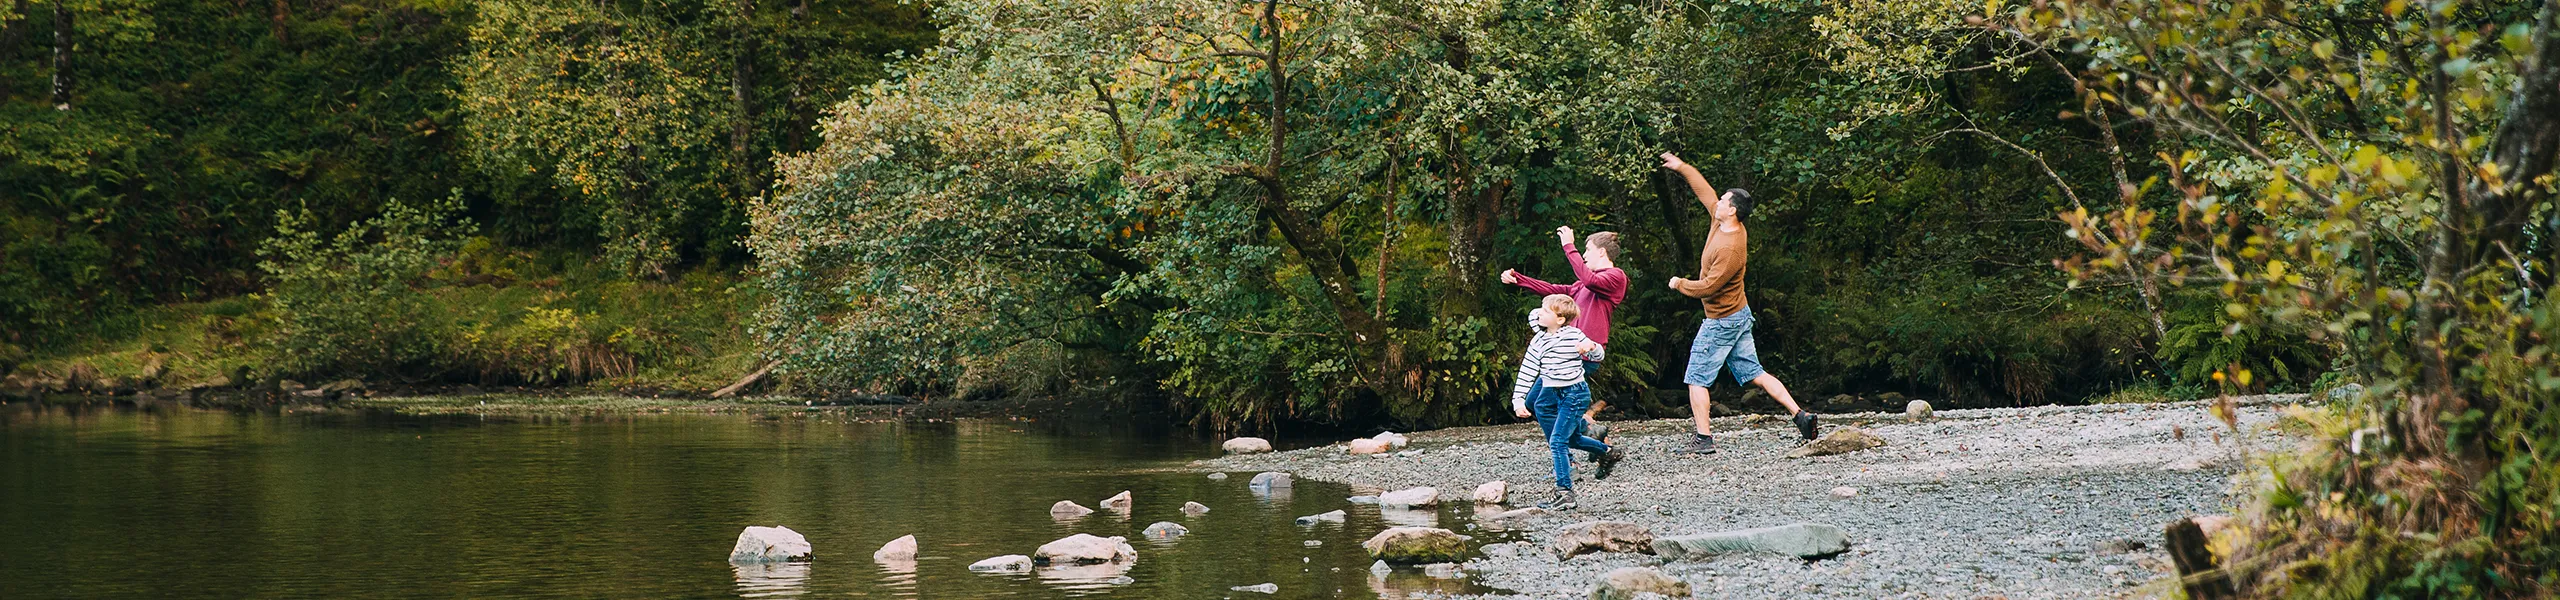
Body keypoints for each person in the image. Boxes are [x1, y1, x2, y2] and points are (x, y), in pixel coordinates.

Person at [1659, 151, 1820, 454]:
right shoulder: (1720, 222)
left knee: (1696, 377)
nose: (1716, 202)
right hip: (1738, 315)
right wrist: (1682, 167)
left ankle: (1703, 439)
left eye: (1723, 200)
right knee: (1755, 373)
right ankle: (1801, 416)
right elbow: (1705, 190)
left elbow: (1708, 287)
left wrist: (1679, 283)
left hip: (1722, 321)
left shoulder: (1732, 248)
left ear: (1731, 210)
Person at [1501, 227, 1629, 441]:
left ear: (1601, 252)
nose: (1584, 255)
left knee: (1542, 404)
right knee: (1535, 402)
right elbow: (1557, 291)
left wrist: (1569, 246)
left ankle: (1572, 452)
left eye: (1587, 250)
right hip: (1564, 355)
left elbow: (1589, 281)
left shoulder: (1615, 277)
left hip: (1583, 356)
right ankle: (1590, 432)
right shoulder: (1585, 283)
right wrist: (1520, 280)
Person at [1508, 295, 1623, 510]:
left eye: (1545, 311)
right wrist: (1518, 400)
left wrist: (1591, 346)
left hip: (1575, 394)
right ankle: (1608, 452)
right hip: (1553, 393)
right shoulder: (1539, 341)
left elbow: (1599, 355)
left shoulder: (1574, 336)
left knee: (1557, 442)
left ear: (1560, 320)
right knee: (1572, 440)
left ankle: (1565, 492)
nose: (1539, 313)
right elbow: (1527, 371)